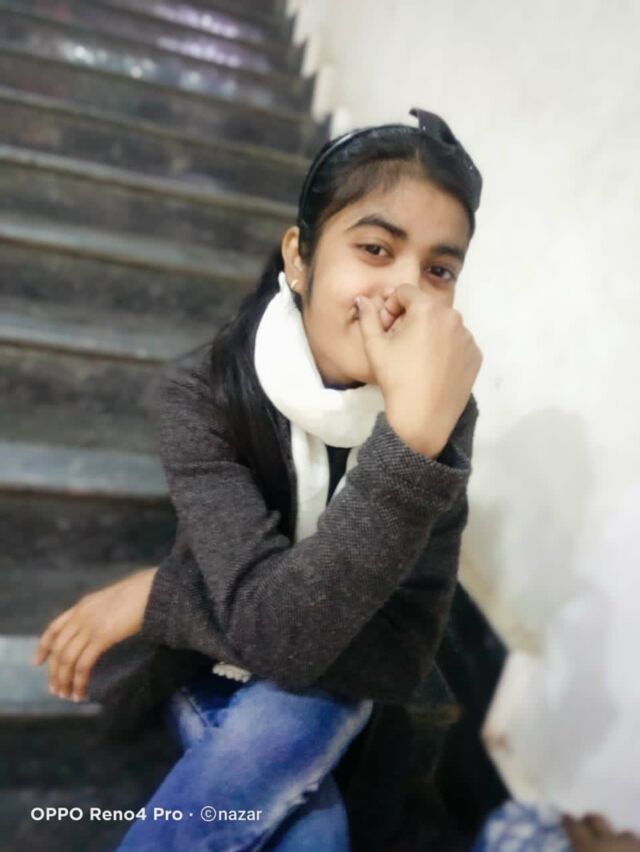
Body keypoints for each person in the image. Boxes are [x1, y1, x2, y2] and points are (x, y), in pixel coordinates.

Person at [33, 107, 485, 850]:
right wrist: (406, 449)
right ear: (300, 258)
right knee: (312, 767)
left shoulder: (442, 413)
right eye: (375, 249)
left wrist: (165, 596)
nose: (406, 291)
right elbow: (283, 640)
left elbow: (400, 651)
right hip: (207, 672)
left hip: (332, 689)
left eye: (439, 270)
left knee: (316, 812)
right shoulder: (204, 393)